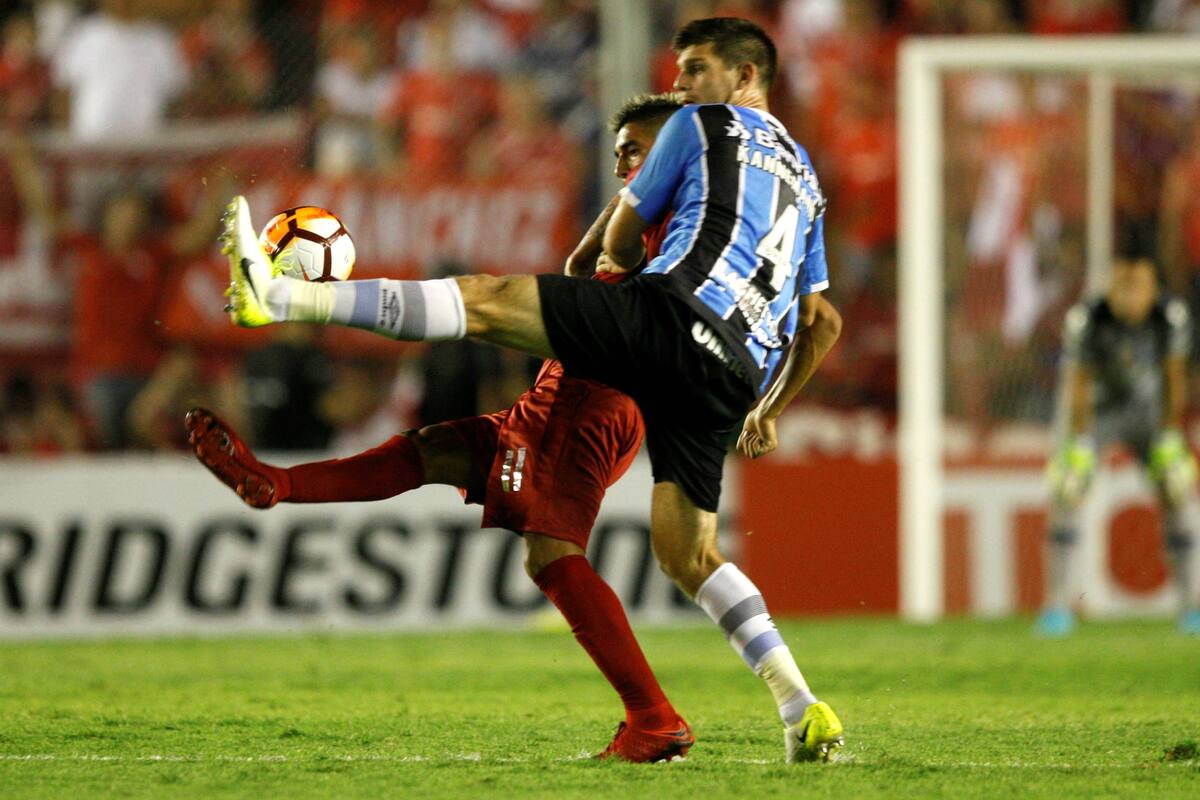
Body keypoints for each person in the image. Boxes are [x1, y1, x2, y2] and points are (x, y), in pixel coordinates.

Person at [220, 17, 845, 762]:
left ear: (746, 78)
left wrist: (598, 276)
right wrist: (768, 408)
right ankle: (800, 705)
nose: (680, 86)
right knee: (688, 555)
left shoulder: (701, 124)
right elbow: (819, 318)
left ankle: (283, 300)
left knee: (484, 301)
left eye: (695, 70)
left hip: (671, 319)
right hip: (735, 370)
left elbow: (616, 241)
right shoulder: (805, 177)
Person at [192, 93, 696, 763]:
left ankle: (654, 718)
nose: (625, 161)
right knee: (436, 449)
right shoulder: (646, 211)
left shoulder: (680, 216)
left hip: (594, 394)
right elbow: (585, 271)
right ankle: (274, 483)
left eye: (639, 149)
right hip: (572, 383)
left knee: (550, 551)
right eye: (619, 152)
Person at [1041, 250, 1200, 636]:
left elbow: (1174, 378)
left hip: (1147, 414)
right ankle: (1058, 605)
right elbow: (1077, 382)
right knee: (1068, 489)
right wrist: (1078, 443)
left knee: (1177, 490)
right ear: (1110, 287)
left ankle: (1191, 604)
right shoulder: (1088, 319)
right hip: (1096, 413)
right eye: (1122, 286)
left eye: (1138, 286)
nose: (1129, 296)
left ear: (1152, 289)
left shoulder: (1170, 318)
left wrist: (1168, 436)